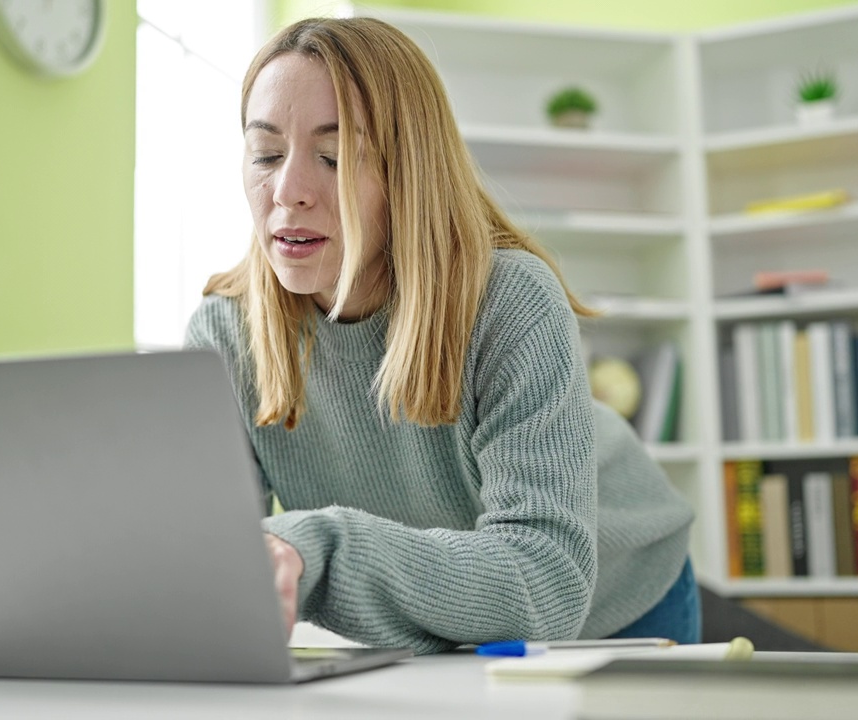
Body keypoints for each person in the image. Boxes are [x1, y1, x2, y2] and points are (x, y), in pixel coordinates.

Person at [184, 16, 697, 655]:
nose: (287, 192)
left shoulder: (512, 301)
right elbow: (221, 561)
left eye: (334, 157)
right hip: (440, 620)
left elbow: (547, 586)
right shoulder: (225, 331)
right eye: (265, 155)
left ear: (408, 170)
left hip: (615, 601)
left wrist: (317, 548)